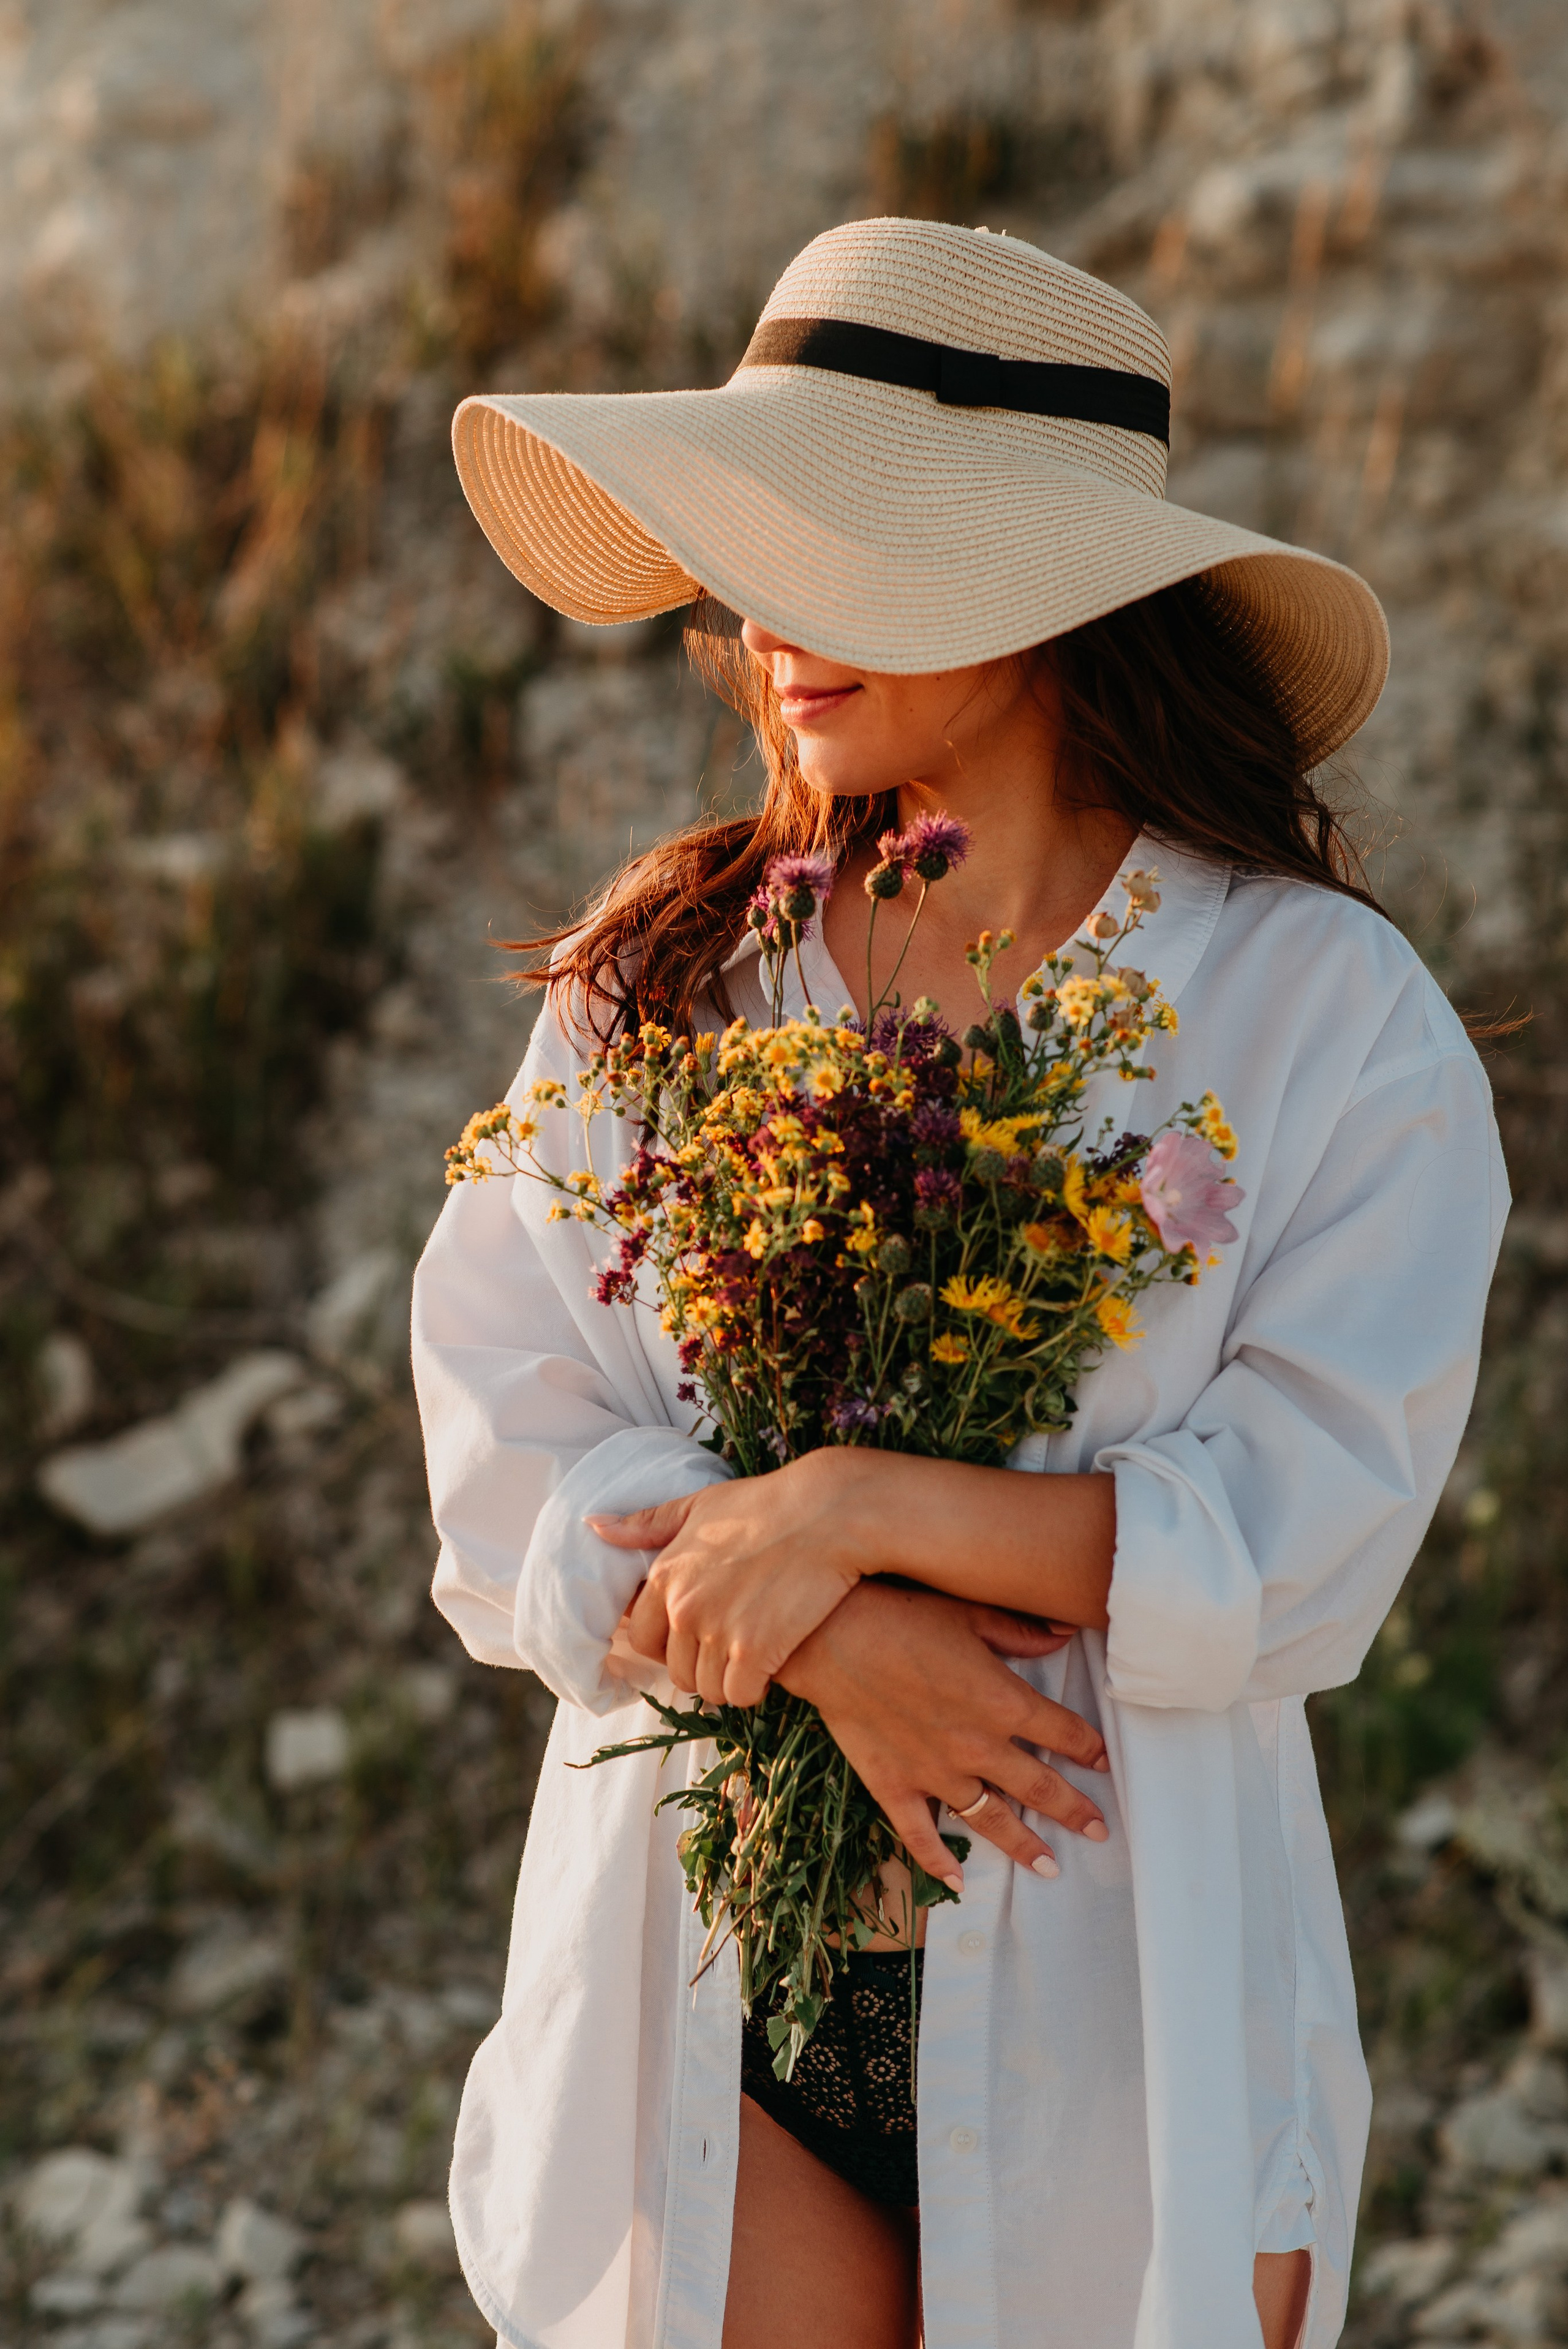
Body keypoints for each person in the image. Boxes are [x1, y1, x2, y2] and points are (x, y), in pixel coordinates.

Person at [412, 217, 1507, 2349]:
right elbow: (501, 1452)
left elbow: (1307, 1539)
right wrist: (832, 1632)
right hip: (717, 1999)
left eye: (822, 540)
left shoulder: (1316, 1013)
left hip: (1138, 2009)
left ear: (1038, 579)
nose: (754, 625)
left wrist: (857, 1508)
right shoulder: (667, 973)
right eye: (742, 553)